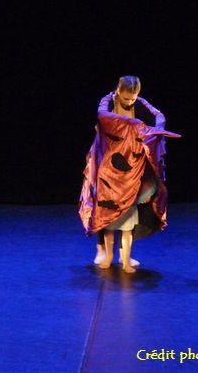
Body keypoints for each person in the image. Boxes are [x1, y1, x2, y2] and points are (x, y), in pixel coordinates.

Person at [79, 76, 180, 272]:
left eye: (133, 98)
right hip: (107, 162)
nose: (130, 102)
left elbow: (159, 117)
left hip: (131, 165)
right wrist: (132, 123)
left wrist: (151, 129)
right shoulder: (107, 102)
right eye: (126, 99)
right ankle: (103, 250)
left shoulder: (141, 104)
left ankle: (125, 256)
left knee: (129, 210)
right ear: (118, 91)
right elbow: (103, 116)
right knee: (105, 206)